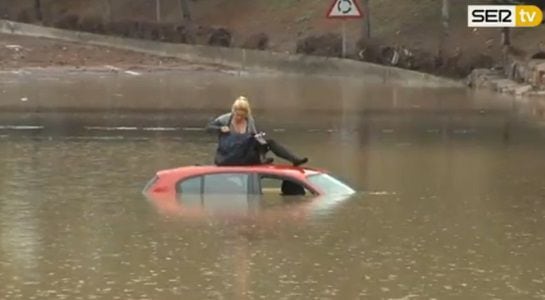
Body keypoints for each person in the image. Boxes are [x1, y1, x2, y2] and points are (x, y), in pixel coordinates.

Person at [206, 96, 308, 166]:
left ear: (246, 114)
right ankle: (261, 160)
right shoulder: (226, 119)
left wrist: (260, 139)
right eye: (237, 114)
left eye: (242, 115)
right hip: (229, 154)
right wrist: (220, 129)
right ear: (233, 111)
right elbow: (208, 128)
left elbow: (254, 139)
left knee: (269, 142)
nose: (239, 117)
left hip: (244, 153)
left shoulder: (249, 120)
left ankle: (294, 159)